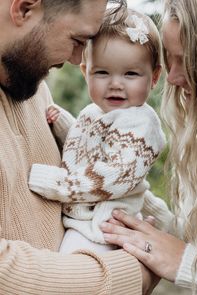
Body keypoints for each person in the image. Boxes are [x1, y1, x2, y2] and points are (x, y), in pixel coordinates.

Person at [0, 0, 157, 294]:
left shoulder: (34, 89)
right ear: (24, 9)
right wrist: (136, 271)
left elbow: (108, 169)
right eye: (77, 40)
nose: (76, 60)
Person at [101, 0, 197, 294]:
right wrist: (150, 212)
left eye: (185, 60)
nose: (172, 78)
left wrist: (185, 262)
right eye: (169, 60)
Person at [28, 8, 166, 254]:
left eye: (131, 74)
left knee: (69, 278)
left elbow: (114, 176)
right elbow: (92, 146)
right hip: (83, 219)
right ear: (85, 72)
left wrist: (56, 184)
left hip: (104, 227)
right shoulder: (95, 112)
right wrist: (64, 125)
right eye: (102, 72)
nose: (115, 84)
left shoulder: (141, 124)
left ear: (154, 77)